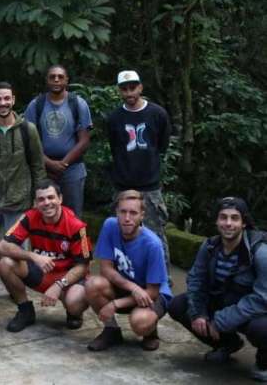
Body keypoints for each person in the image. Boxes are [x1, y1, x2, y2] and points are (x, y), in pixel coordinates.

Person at [168, 197, 267, 382]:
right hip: (225, 301)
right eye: (223, 217)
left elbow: (263, 298)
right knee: (178, 305)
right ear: (216, 220)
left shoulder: (260, 252)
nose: (228, 223)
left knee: (262, 328)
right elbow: (196, 280)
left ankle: (264, 362)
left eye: (234, 218)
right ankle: (227, 344)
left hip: (254, 310)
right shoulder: (210, 246)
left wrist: (220, 320)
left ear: (244, 222)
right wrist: (199, 313)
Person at [0, 179, 92, 332]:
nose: (46, 203)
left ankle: (74, 313)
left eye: (51, 197)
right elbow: (3, 246)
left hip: (68, 277)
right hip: (43, 272)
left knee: (74, 302)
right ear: (36, 203)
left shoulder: (76, 226)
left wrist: (59, 285)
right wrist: (32, 256)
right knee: (5, 263)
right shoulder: (29, 217)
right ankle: (25, 310)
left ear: (60, 199)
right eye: (41, 199)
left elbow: (83, 266)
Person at [85, 190, 172, 352]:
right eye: (123, 212)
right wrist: (133, 288)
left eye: (133, 213)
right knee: (93, 284)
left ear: (142, 215)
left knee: (140, 322)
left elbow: (152, 292)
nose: (127, 218)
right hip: (128, 288)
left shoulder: (153, 244)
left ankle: (150, 332)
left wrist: (115, 304)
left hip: (152, 294)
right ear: (116, 212)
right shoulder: (110, 226)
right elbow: (106, 269)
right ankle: (111, 331)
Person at [107, 70, 172, 273]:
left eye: (133, 87)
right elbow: (114, 147)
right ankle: (124, 276)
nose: (129, 93)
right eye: (124, 89)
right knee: (121, 232)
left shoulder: (157, 114)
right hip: (123, 185)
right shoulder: (115, 118)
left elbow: (162, 145)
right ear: (119, 91)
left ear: (141, 87)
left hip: (149, 187)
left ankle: (162, 282)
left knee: (156, 235)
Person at [0, 82, 46, 234]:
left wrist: (39, 196)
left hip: (19, 202)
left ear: (13, 100)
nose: (2, 103)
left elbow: (37, 166)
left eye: (6, 99)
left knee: (16, 252)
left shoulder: (28, 129)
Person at [24, 65, 92, 217]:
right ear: (47, 80)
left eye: (60, 77)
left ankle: (79, 242)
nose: (56, 79)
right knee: (44, 214)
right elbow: (29, 142)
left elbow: (84, 140)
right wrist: (50, 163)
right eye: (52, 77)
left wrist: (63, 164)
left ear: (67, 80)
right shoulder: (36, 105)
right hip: (43, 169)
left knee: (73, 215)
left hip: (72, 169)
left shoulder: (78, 104)